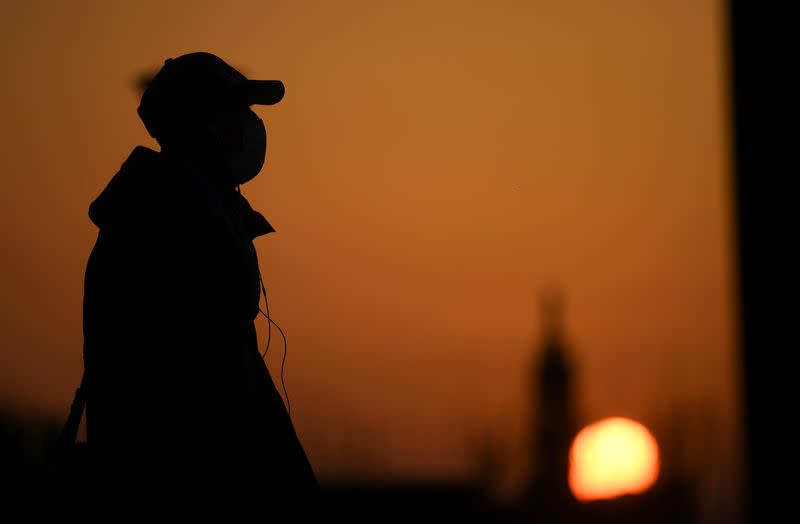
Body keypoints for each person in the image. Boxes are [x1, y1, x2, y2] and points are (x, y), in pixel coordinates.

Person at [80, 52, 319, 522]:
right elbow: (208, 374)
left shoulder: (175, 209)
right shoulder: (169, 223)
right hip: (191, 487)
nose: (250, 129)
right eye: (239, 113)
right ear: (205, 126)